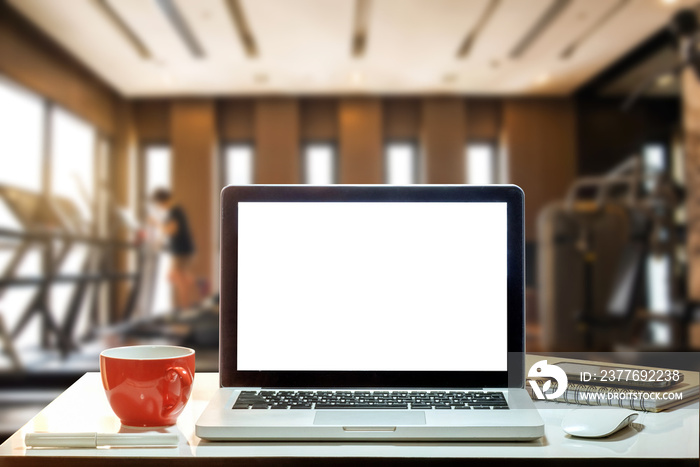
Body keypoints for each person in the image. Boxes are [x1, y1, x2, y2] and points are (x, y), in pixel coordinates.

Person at [150, 188, 196, 311]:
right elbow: (167, 232)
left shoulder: (175, 210)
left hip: (182, 250)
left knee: (175, 277)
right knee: (174, 276)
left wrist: (156, 224)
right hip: (179, 250)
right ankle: (196, 283)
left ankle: (186, 309)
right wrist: (158, 243)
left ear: (160, 201)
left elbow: (171, 230)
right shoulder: (173, 212)